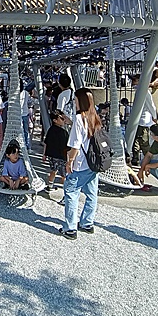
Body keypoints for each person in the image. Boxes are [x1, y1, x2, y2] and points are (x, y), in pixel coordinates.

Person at [58, 88, 102, 240]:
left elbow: (76, 144)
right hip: (94, 162)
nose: (74, 102)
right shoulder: (94, 116)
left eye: (75, 100)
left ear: (80, 101)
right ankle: (87, 223)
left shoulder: (79, 118)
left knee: (71, 193)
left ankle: (70, 228)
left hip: (81, 163)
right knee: (91, 194)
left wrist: (69, 161)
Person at [129, 74, 158, 167]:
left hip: (141, 120)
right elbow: (151, 106)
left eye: (134, 80)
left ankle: (140, 159)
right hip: (142, 120)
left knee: (139, 141)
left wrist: (154, 116)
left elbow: (150, 105)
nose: (132, 82)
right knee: (141, 141)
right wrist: (155, 116)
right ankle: (143, 159)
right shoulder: (142, 90)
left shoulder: (141, 91)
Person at [43, 109, 69, 193]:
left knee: (53, 171)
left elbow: (46, 142)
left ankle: (50, 186)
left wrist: (44, 154)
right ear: (55, 120)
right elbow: (67, 145)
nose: (64, 120)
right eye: (61, 118)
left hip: (51, 155)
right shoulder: (64, 132)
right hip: (62, 156)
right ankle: (66, 192)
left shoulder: (50, 130)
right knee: (64, 175)